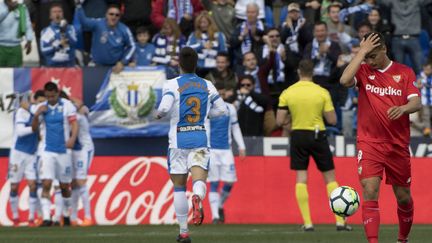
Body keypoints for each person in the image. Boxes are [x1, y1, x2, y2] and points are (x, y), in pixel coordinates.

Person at [340, 32, 422, 243]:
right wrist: (361, 53)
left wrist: (403, 108)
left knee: (403, 197)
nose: (370, 61)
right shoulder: (364, 70)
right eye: (367, 57)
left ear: (384, 49)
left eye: (373, 56)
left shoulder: (404, 72)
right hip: (369, 142)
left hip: (397, 144)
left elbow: (416, 103)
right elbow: (344, 80)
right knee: (369, 190)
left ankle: (402, 239)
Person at [155, 47, 227, 243]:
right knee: (199, 180)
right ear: (196, 64)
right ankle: (197, 197)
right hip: (200, 139)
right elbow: (222, 109)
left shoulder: (171, 84)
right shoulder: (207, 85)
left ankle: (184, 232)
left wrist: (159, 114)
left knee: (178, 186)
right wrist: (207, 115)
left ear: (179, 64)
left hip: (177, 141)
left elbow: (164, 107)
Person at [276, 59, 352, 232]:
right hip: (318, 135)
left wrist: (290, 121)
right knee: (330, 179)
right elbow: (332, 119)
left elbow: (280, 120)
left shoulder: (288, 92)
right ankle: (340, 222)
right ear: (313, 73)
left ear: (298, 72)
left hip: (298, 135)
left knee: (301, 179)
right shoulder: (321, 92)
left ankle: (308, 223)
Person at [31, 82, 78, 226]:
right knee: (46, 183)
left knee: (64, 186)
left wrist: (72, 139)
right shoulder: (41, 107)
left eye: (53, 96)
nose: (50, 99)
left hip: (63, 150)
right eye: (48, 96)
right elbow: (34, 129)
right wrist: (37, 114)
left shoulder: (66, 105)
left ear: (57, 93)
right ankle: (46, 218)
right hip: (47, 150)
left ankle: (66, 214)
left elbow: (74, 124)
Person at [208, 83, 246, 224]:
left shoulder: (230, 109)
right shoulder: (207, 109)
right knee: (214, 182)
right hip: (211, 151)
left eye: (223, 93)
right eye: (219, 93)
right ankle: (215, 216)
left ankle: (219, 205)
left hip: (226, 151)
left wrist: (241, 146)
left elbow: (235, 128)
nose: (221, 96)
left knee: (230, 181)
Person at [8, 91, 45, 227]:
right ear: (34, 100)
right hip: (18, 153)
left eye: (44, 101)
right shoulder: (22, 112)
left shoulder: (41, 114)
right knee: (14, 186)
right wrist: (34, 129)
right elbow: (20, 132)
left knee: (33, 185)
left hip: (32, 153)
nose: (42, 104)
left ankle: (31, 219)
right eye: (39, 101)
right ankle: (16, 218)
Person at [75, 3, 135, 73]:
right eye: (111, 14)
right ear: (106, 15)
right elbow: (84, 22)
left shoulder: (124, 29)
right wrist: (79, 6)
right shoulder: (98, 23)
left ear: (119, 17)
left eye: (117, 15)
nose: (114, 17)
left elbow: (132, 46)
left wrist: (122, 62)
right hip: (96, 65)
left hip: (115, 68)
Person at [70, 99, 94, 226]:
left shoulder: (77, 117)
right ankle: (73, 217)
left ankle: (88, 217)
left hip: (84, 150)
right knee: (74, 183)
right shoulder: (79, 113)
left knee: (81, 181)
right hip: (73, 150)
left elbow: (82, 107)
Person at [186, 11, 227, 77]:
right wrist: (202, 46)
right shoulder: (194, 35)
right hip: (198, 68)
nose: (202, 25)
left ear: (210, 23)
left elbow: (224, 51)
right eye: (200, 23)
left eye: (204, 22)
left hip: (215, 68)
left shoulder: (219, 35)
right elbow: (187, 50)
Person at [40, 3, 77, 67]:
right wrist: (59, 45)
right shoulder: (45, 31)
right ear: (50, 16)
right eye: (54, 12)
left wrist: (65, 31)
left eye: (59, 11)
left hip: (69, 66)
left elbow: (74, 44)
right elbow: (44, 51)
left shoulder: (71, 28)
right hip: (53, 67)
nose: (57, 14)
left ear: (63, 14)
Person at [0, 0, 33, 67]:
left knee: (16, 74)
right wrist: (8, 10)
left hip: (16, 47)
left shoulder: (22, 7)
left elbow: (27, 24)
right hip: (1, 46)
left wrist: (29, 40)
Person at [417, 62, 432, 136]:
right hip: (424, 100)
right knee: (426, 115)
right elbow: (415, 85)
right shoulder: (420, 76)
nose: (427, 70)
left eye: (429, 69)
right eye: (426, 69)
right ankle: (427, 130)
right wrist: (418, 85)